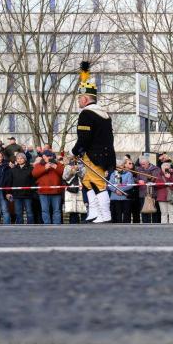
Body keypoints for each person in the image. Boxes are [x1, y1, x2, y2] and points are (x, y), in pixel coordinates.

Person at [70, 61, 116, 223]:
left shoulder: (87, 114)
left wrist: (74, 152)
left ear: (85, 98)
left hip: (94, 154)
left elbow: (84, 138)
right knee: (88, 182)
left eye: (80, 98)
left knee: (97, 184)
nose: (78, 101)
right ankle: (94, 213)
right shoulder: (103, 113)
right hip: (103, 153)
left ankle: (105, 215)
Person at [32, 152, 65, 224]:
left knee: (57, 210)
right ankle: (47, 225)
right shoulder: (39, 165)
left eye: (48, 156)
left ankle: (57, 225)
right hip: (43, 192)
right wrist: (45, 168)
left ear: (52, 157)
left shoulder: (58, 164)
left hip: (56, 192)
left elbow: (63, 173)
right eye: (44, 156)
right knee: (45, 210)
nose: (46, 158)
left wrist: (55, 167)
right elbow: (34, 174)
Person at [8, 153, 36, 224]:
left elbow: (34, 181)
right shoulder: (13, 170)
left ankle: (31, 226)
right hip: (17, 195)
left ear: (25, 159)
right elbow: (10, 182)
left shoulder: (30, 169)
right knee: (18, 212)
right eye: (18, 158)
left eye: (21, 158)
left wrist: (32, 191)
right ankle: (19, 226)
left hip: (28, 195)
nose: (19, 160)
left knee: (29, 212)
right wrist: (9, 192)